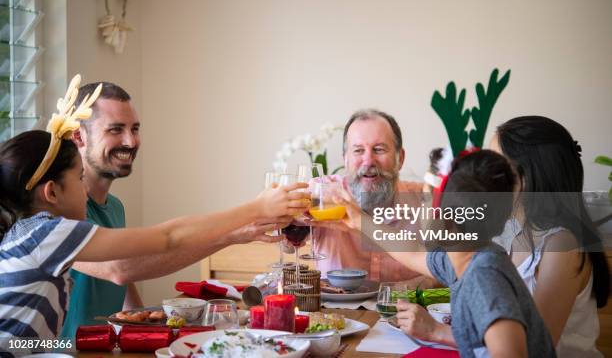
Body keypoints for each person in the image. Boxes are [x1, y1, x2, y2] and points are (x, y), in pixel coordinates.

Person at [0, 89, 309, 340]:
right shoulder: (53, 229)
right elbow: (141, 254)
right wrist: (255, 209)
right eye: (115, 129)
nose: (131, 141)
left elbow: (127, 277)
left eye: (135, 129)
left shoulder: (56, 223)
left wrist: (234, 234)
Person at [397, 116, 610, 358]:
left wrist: (436, 331)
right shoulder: (507, 232)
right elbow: (418, 254)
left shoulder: (561, 246)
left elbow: (533, 347)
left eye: (495, 163)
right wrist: (358, 219)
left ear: (525, 177)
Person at [396, 150, 556, 358]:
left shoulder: (483, 277)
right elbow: (411, 253)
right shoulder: (471, 258)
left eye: (425, 200)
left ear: (444, 219)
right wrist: (357, 219)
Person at [312, 109, 430, 284]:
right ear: (345, 159)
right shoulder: (321, 193)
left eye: (379, 149)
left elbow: (457, 268)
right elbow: (284, 234)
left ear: (401, 158)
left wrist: (419, 285)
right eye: (358, 150)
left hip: (405, 310)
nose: (368, 161)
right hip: (334, 311)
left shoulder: (426, 200)